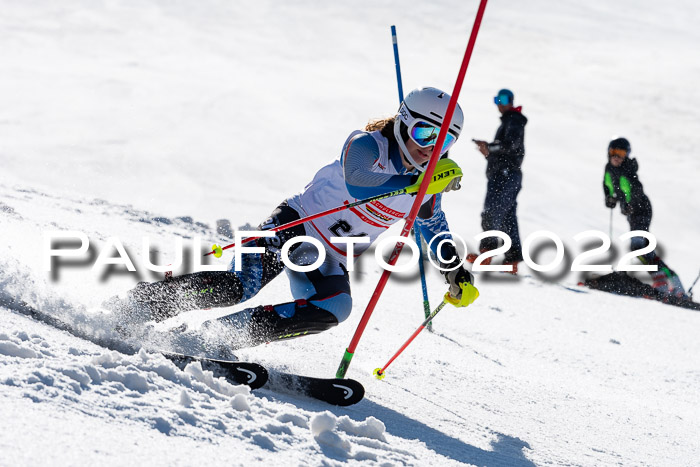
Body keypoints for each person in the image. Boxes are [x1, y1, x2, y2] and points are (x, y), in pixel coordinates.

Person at [111, 87, 479, 351]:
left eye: (444, 140)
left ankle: (216, 339)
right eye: (424, 132)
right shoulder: (367, 145)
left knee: (336, 307)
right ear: (402, 122)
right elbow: (359, 182)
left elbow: (431, 228)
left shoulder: (428, 183)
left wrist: (454, 269)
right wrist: (416, 182)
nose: (431, 146)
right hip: (296, 225)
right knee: (240, 285)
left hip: (329, 256)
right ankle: (137, 305)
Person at [603, 137, 686, 297]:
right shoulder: (609, 169)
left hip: (642, 210)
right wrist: (610, 198)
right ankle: (673, 283)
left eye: (620, 153)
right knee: (644, 250)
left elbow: (637, 191)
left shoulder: (628, 171)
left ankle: (664, 283)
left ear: (626, 155)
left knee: (638, 247)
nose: (616, 157)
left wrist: (630, 204)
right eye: (613, 152)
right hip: (633, 214)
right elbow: (607, 186)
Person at [468, 88, 527, 273]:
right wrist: (489, 152)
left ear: (511, 101)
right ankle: (512, 260)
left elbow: (511, 145)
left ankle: (487, 252)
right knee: (507, 216)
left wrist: (490, 147)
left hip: (505, 174)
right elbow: (507, 151)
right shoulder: (510, 121)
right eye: (497, 99)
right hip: (507, 173)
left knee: (491, 211)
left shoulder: (514, 120)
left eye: (503, 99)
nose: (500, 103)